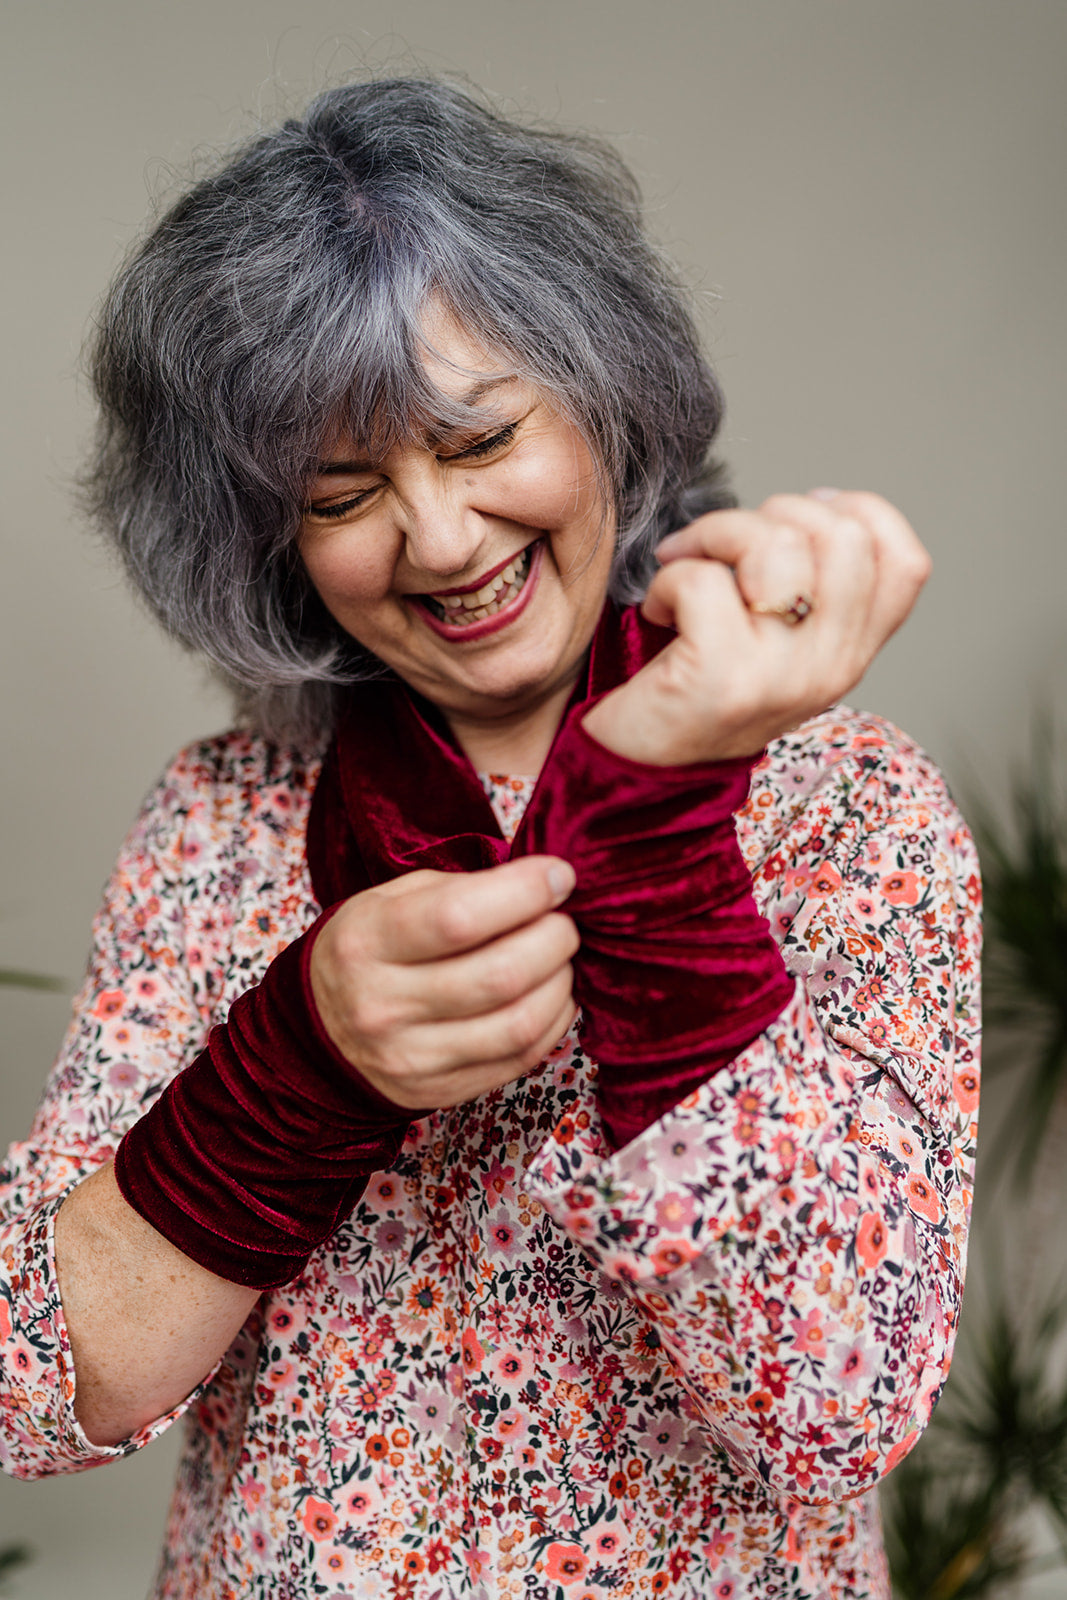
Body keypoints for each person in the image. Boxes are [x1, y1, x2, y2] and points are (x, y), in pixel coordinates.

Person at [0, 77, 979, 1600]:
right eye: (344, 491)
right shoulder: (222, 821)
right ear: (265, 535)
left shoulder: (850, 805)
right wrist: (301, 1061)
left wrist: (653, 828)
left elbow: (838, 1407)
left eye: (477, 440)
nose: (440, 540)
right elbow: (44, 1385)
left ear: (605, 397)